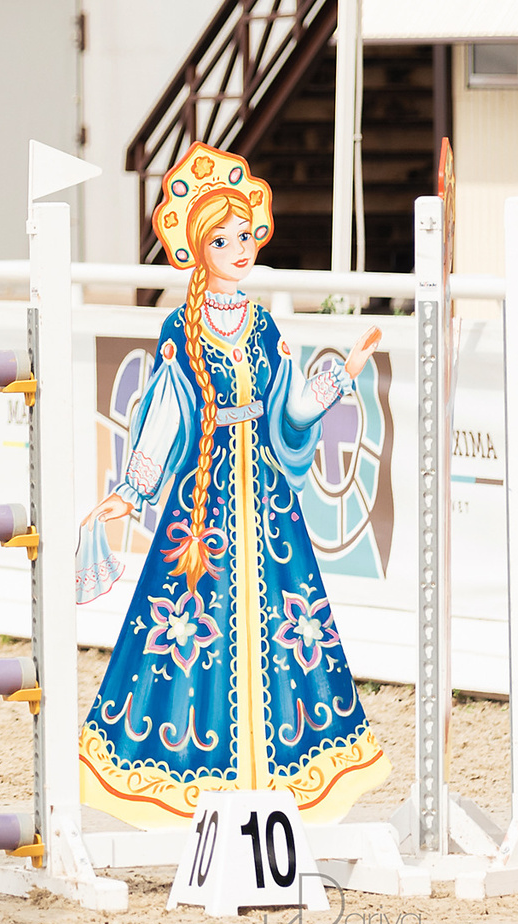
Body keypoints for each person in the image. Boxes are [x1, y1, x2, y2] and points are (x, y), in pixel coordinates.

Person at [71, 144, 387, 828]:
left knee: (285, 625)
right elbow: (164, 411)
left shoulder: (264, 324)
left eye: (245, 235)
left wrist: (343, 372)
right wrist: (134, 486)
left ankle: (275, 779)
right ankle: (191, 774)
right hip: (203, 502)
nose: (239, 248)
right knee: (188, 627)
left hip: (267, 504)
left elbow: (295, 411)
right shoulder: (180, 330)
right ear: (198, 248)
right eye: (224, 238)